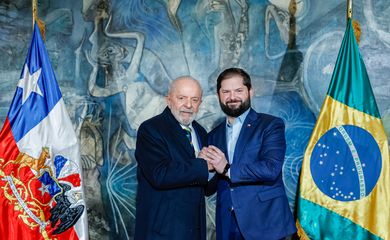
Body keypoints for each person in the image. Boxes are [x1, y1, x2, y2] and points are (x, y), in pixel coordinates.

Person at [201, 68, 297, 240]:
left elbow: (271, 169)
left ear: (250, 91)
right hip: (227, 224)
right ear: (219, 95)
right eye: (226, 92)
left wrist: (227, 168)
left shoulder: (271, 125)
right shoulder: (213, 136)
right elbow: (209, 189)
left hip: (264, 222)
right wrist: (205, 169)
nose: (232, 97)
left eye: (238, 91)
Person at [134, 76, 211, 240]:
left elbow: (207, 186)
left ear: (200, 103)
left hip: (195, 231)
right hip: (162, 232)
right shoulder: (150, 129)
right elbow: (160, 175)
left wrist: (219, 168)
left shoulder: (201, 132)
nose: (188, 105)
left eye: (194, 99)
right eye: (181, 98)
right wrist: (204, 165)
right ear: (168, 100)